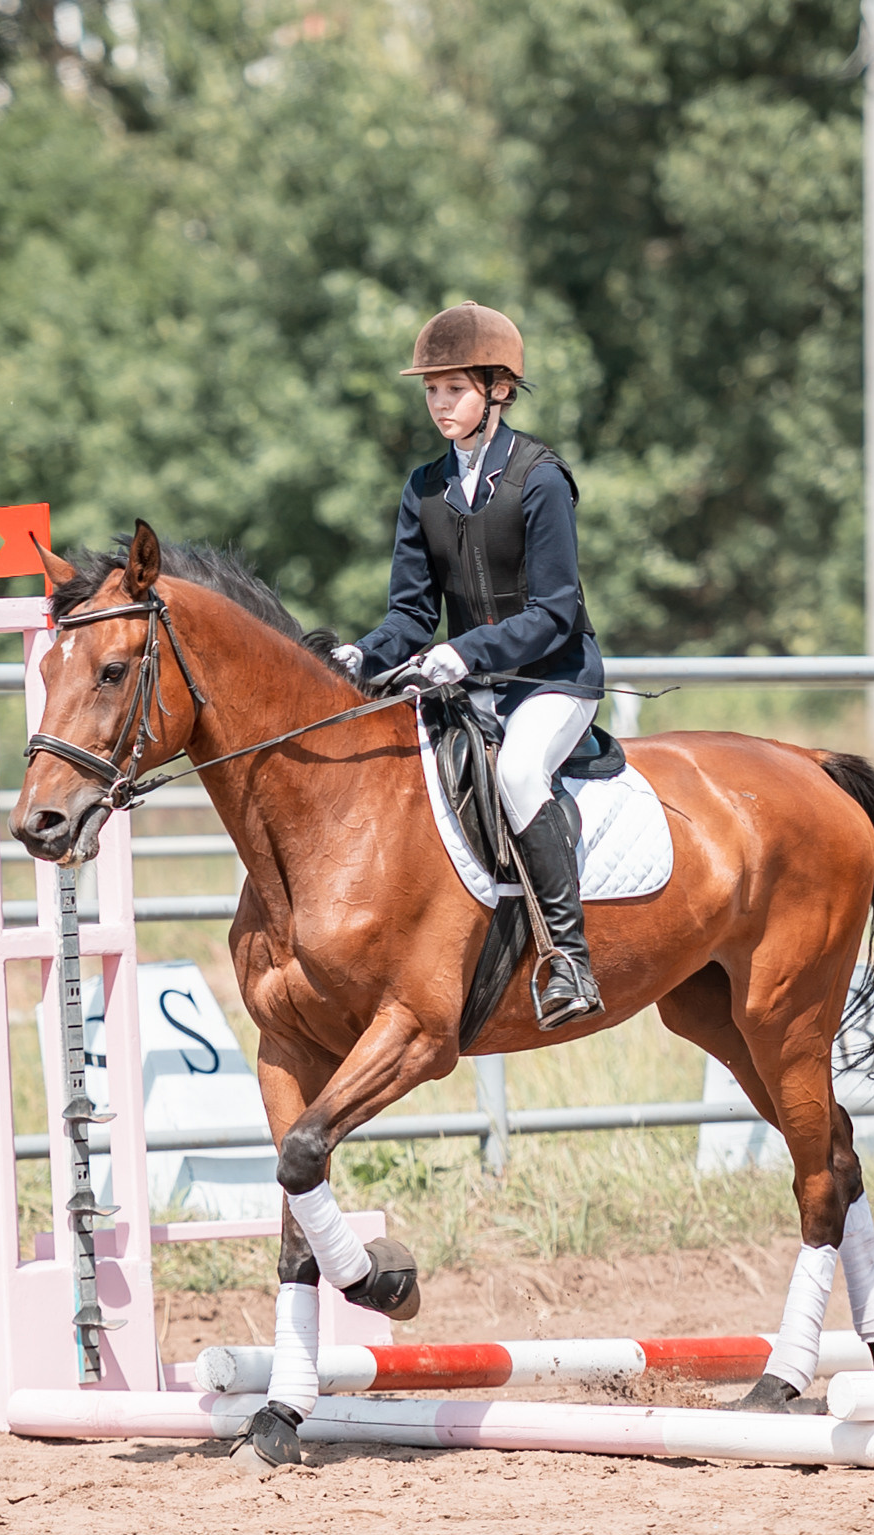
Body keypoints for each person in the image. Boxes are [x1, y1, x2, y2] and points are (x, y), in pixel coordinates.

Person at [333, 300, 605, 1027]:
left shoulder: (540, 478)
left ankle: (568, 959)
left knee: (517, 771)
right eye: (430, 391)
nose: (438, 405)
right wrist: (363, 653)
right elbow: (411, 614)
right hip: (469, 686)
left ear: (498, 390)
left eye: (452, 389)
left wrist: (458, 653)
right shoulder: (424, 487)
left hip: (552, 679)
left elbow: (553, 612)